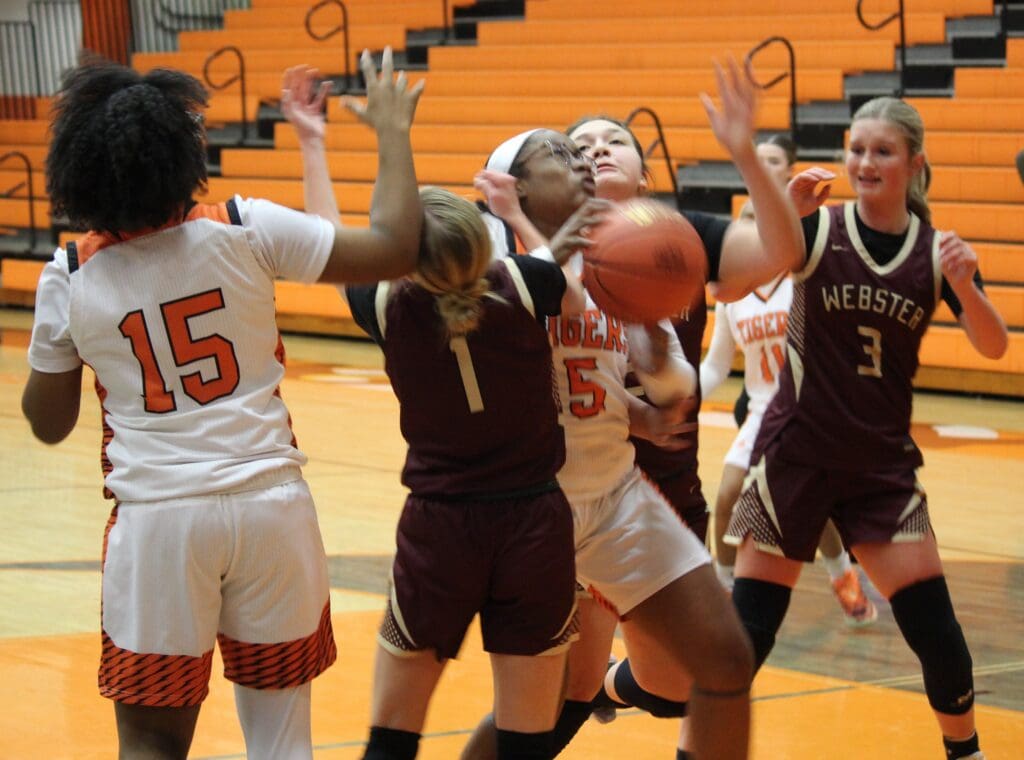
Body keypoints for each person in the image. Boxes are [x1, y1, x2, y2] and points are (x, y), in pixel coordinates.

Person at [21, 49, 423, 759]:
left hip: (160, 521)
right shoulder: (244, 224)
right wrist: (392, 133)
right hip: (272, 508)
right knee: (281, 738)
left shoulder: (72, 274)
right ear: (183, 156)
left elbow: (47, 424)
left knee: (151, 740)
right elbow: (393, 248)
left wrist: (65, 348)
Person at [465, 58, 806, 760]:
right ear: (518, 185)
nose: (590, 153)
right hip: (535, 503)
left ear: (644, 174)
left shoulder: (659, 242)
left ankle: (611, 689)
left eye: (610, 141)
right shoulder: (499, 256)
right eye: (571, 146)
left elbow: (667, 376)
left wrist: (644, 387)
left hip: (627, 490)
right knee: (543, 706)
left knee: (718, 664)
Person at [281, 65, 590, 760]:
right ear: (482, 242)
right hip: (535, 523)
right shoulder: (527, 282)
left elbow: (325, 239)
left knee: (391, 741)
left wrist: (313, 143)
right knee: (526, 742)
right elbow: (570, 295)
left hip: (440, 528)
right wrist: (524, 229)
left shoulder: (387, 303)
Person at [725, 96, 1008, 760]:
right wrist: (779, 203)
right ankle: (654, 711)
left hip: (880, 468)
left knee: (936, 632)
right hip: (795, 457)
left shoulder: (936, 252)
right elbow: (731, 288)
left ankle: (965, 752)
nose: (864, 162)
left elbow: (994, 345)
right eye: (856, 149)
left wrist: (967, 285)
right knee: (746, 641)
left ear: (915, 163)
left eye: (882, 151)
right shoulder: (818, 226)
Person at [705, 135, 877, 627]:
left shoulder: (804, 275)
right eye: (744, 228)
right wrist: (686, 391)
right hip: (763, 408)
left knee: (808, 504)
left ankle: (842, 574)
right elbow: (717, 364)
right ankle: (724, 592)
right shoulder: (732, 296)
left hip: (810, 407)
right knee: (727, 496)